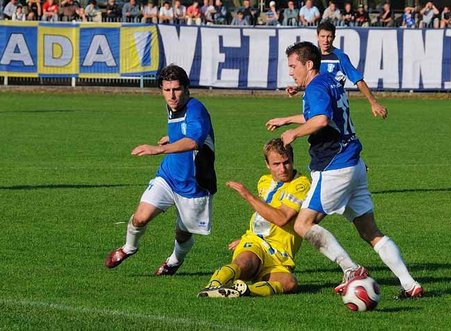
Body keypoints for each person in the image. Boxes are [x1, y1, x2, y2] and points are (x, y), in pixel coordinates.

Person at [266, 41, 423, 299]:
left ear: (308, 64)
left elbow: (321, 119)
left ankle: (350, 269)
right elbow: (321, 114)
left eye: (293, 66)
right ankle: (410, 284)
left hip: (334, 167)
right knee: (370, 231)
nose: (291, 72)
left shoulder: (316, 87)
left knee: (303, 225)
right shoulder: (328, 81)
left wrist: (293, 132)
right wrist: (287, 119)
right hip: (354, 165)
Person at [104, 64, 217, 277]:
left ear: (186, 89)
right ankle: (128, 248)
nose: (172, 95)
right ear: (161, 91)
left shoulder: (196, 110)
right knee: (140, 218)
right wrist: (171, 138)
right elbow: (182, 132)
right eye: (167, 90)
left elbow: (193, 141)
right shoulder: (172, 106)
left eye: (176, 89)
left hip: (194, 184)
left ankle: (173, 262)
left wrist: (159, 148)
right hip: (168, 175)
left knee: (182, 234)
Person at [198, 139, 310, 298]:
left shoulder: (301, 184)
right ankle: (213, 286)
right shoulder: (264, 181)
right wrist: (247, 238)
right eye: (276, 164)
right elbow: (262, 213)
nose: (283, 168)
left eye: (286, 162)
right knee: (244, 264)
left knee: (289, 283)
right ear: (267, 164)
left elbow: (282, 218)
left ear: (292, 160)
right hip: (256, 242)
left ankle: (245, 291)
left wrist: (247, 195)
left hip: (279, 255)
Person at [286, 22, 387, 120]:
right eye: (323, 36)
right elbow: (312, 80)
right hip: (316, 101)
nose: (326, 40)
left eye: (329, 36)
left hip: (334, 106)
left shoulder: (340, 57)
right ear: (317, 36)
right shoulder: (312, 56)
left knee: (321, 127)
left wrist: (373, 102)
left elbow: (358, 80)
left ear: (334, 37)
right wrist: (297, 88)